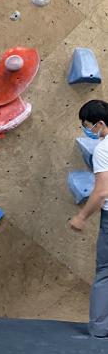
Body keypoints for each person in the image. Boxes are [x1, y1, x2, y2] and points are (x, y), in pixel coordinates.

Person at [69, 99, 108, 338]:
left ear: (100, 124)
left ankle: (99, 327)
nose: (88, 131)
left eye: (88, 126)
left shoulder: (103, 149)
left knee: (105, 272)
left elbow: (103, 191)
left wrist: (82, 216)